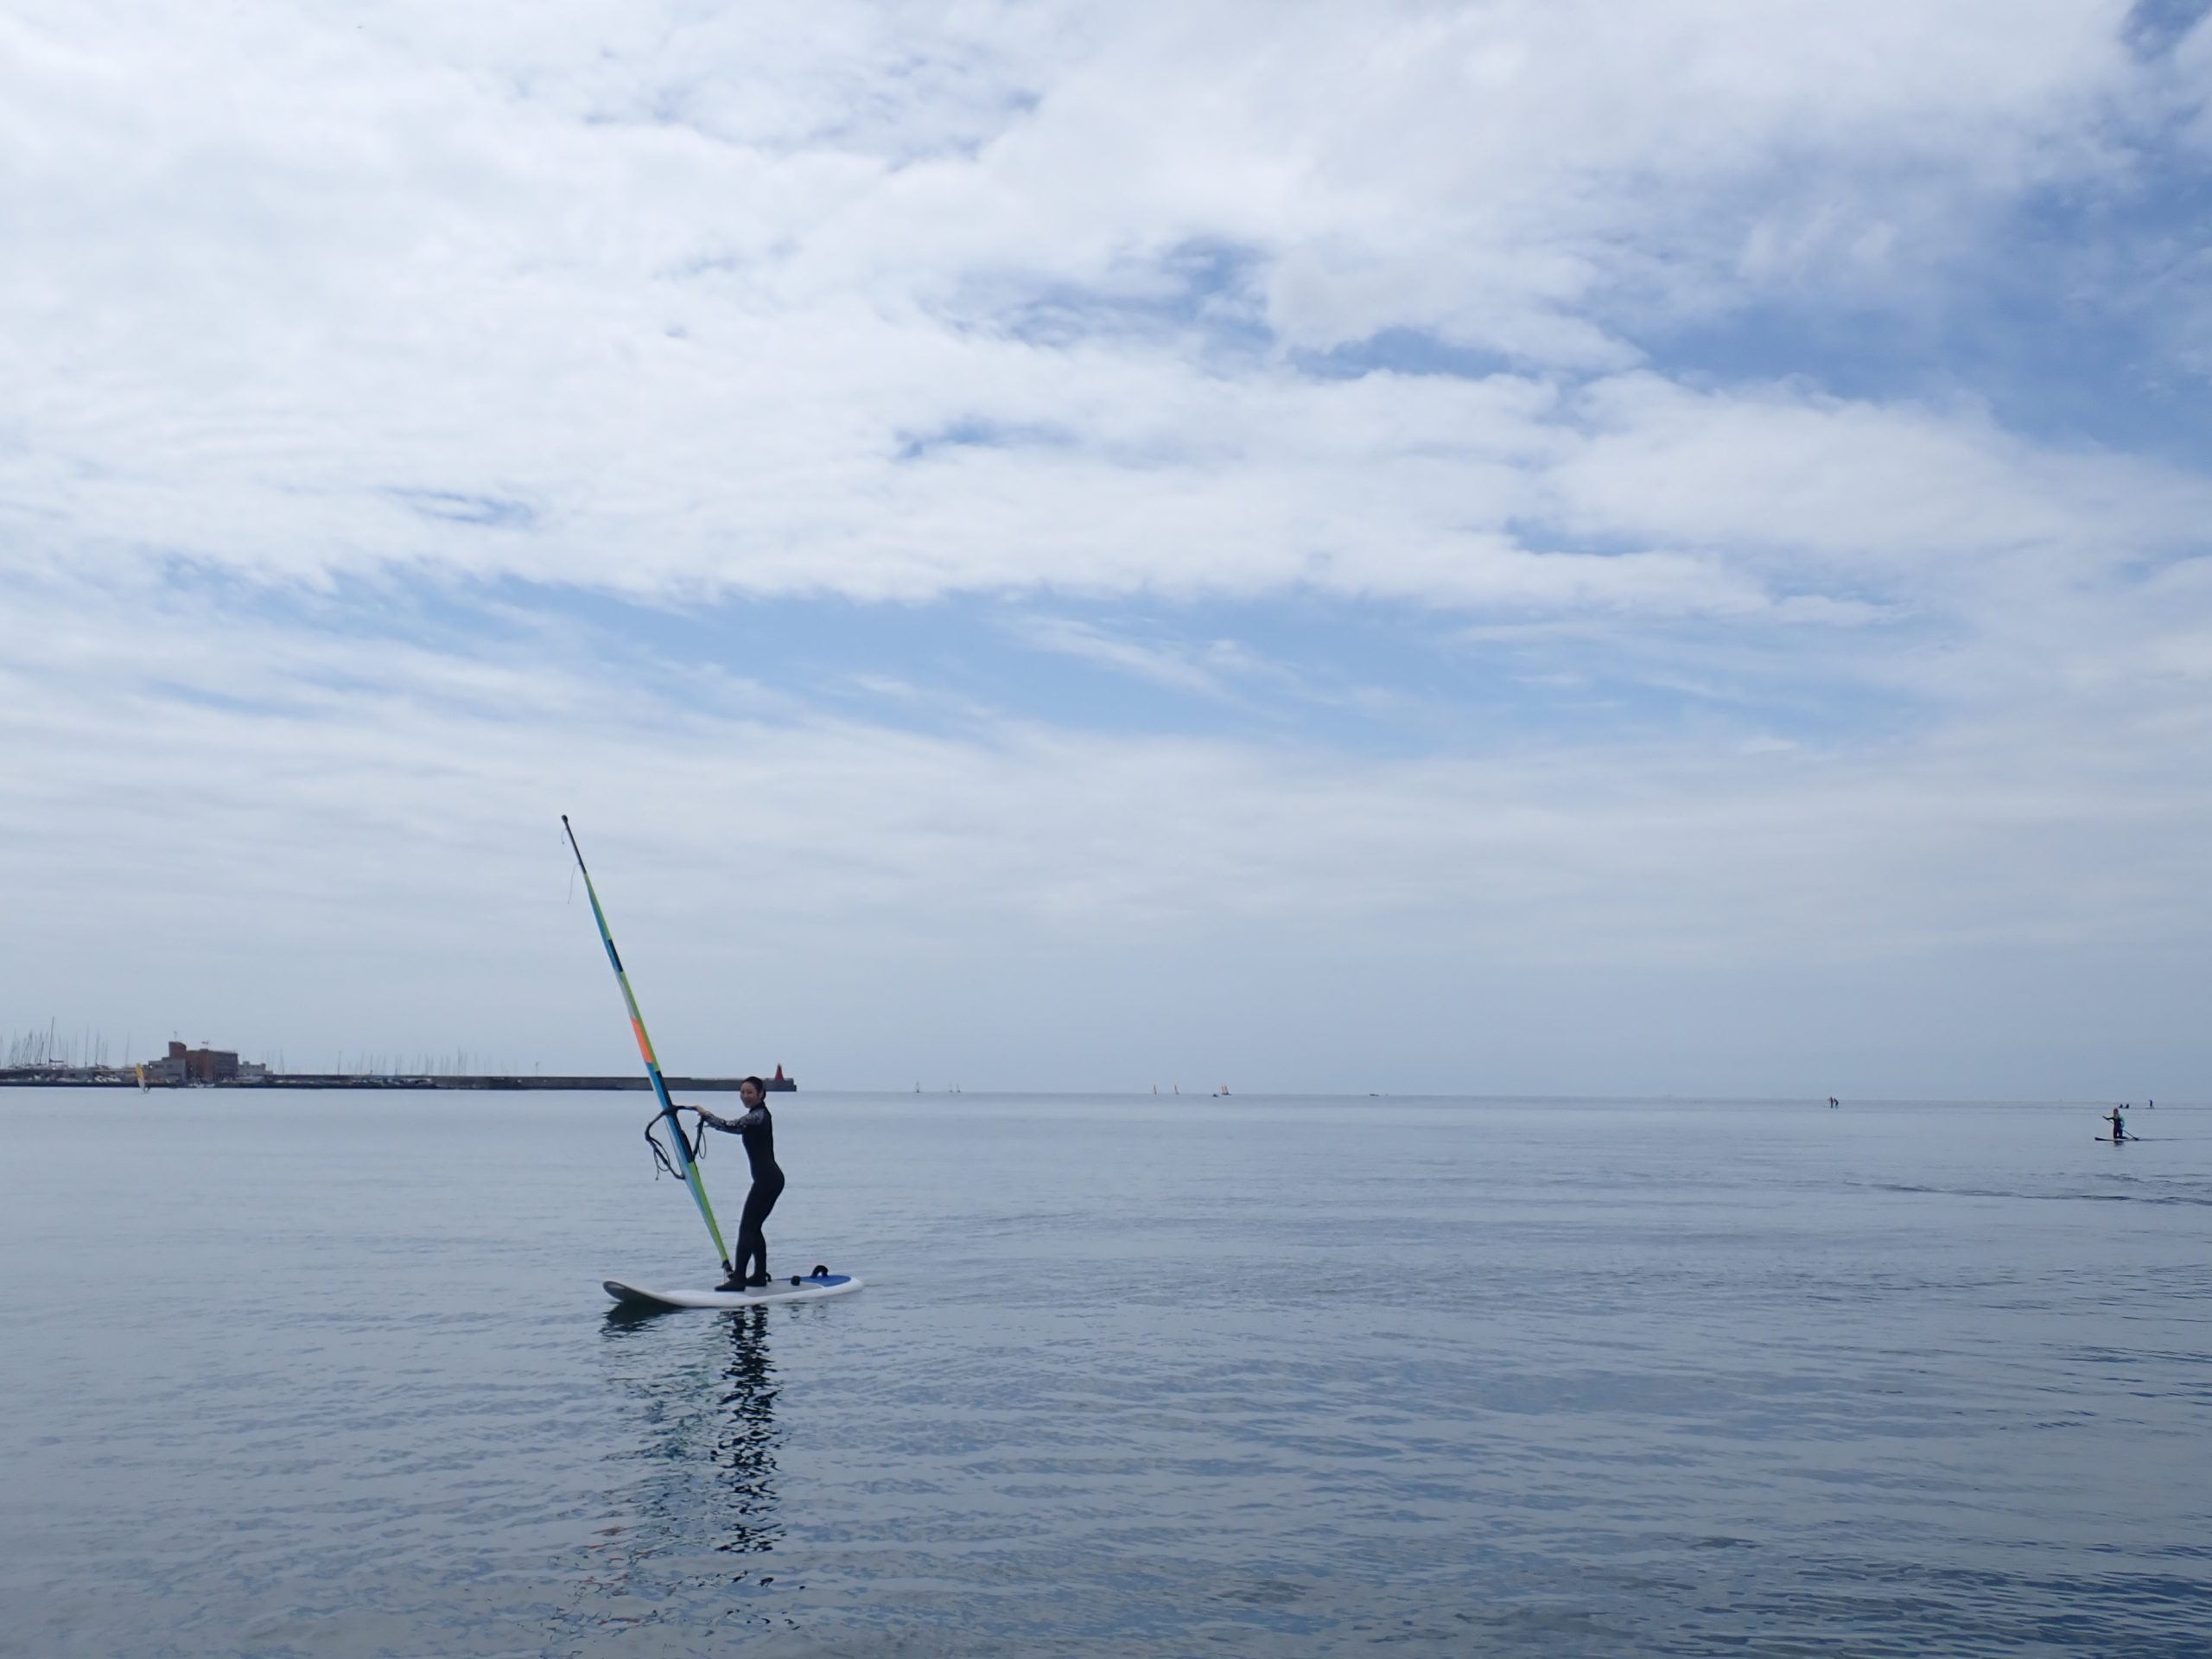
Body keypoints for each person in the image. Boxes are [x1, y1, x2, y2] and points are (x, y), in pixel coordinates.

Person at [692, 1077, 785, 1291]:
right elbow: (733, 1127)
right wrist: (707, 1118)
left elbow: (730, 1126)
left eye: (750, 1092)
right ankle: (759, 1276)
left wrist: (706, 1115)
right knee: (754, 1227)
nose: (745, 1096)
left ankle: (739, 1279)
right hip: (767, 1180)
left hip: (768, 1181)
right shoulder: (756, 1115)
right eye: (742, 1092)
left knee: (747, 1227)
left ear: (761, 1094)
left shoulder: (758, 1116)